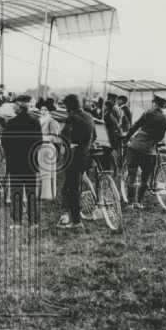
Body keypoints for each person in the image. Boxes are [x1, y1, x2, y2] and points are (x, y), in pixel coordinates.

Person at [122, 95, 166, 208]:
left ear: (154, 103)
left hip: (136, 147)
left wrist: (126, 138)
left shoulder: (148, 113)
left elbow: (135, 126)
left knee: (132, 175)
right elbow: (161, 135)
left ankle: (130, 203)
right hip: (150, 151)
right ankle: (139, 202)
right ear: (164, 105)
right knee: (145, 178)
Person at [2, 98, 43, 228]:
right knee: (31, 192)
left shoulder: (11, 123)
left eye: (15, 106)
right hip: (31, 162)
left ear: (19, 108)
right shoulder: (35, 122)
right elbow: (39, 142)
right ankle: (33, 222)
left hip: (16, 162)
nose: (13, 108)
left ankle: (17, 222)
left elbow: (5, 142)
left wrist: (10, 155)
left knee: (16, 192)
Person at [58, 94, 95, 229]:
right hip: (85, 156)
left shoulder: (71, 117)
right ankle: (68, 215)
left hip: (73, 157)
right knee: (71, 187)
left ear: (69, 106)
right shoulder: (89, 116)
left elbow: (63, 135)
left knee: (71, 189)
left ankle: (76, 221)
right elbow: (94, 136)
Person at [37, 105, 61, 204]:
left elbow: (54, 137)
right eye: (41, 109)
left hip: (48, 147)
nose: (43, 111)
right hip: (38, 147)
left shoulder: (52, 122)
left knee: (47, 172)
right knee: (39, 171)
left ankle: (47, 195)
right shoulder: (38, 121)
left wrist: (42, 138)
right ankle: (38, 193)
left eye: (45, 109)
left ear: (49, 111)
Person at [102, 93, 123, 164]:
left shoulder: (111, 112)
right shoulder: (111, 111)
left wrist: (119, 131)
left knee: (111, 150)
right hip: (111, 132)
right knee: (111, 149)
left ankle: (113, 165)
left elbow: (117, 123)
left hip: (110, 133)